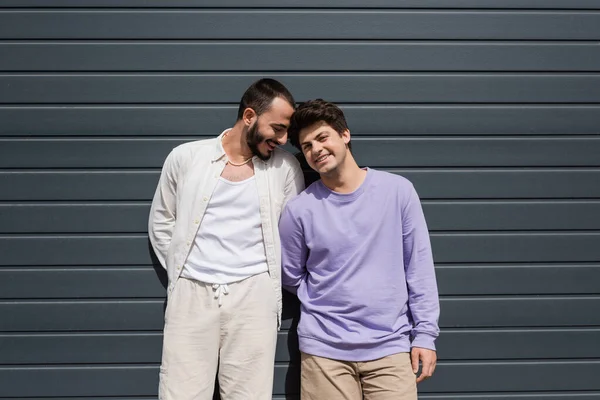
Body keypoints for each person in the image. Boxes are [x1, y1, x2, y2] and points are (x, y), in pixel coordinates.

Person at [148, 78, 304, 400]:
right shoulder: (186, 158)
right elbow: (162, 222)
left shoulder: (285, 169)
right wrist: (185, 267)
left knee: (249, 394)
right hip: (191, 292)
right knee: (181, 393)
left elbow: (293, 235)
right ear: (249, 116)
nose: (284, 139)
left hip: (254, 294)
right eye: (277, 128)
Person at [279, 99, 440, 400]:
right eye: (307, 145)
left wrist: (426, 335)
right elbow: (289, 275)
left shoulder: (397, 192)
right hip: (324, 352)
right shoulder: (299, 210)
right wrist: (329, 296)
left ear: (344, 135)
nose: (316, 149)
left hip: (390, 347)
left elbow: (418, 268)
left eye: (322, 137)